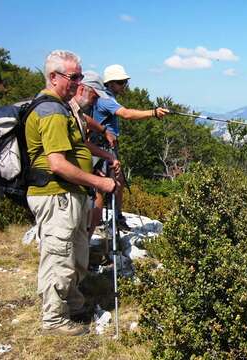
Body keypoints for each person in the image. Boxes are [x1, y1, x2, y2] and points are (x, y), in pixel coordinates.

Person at [25, 50, 117, 336]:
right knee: (59, 256)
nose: (79, 82)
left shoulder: (62, 108)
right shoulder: (51, 111)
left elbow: (76, 150)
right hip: (56, 195)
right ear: (53, 77)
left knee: (76, 253)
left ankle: (73, 304)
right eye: (73, 76)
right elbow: (58, 164)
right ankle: (53, 320)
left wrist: (92, 173)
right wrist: (99, 183)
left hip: (69, 195)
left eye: (80, 76)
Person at [92, 64, 169, 229]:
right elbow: (126, 114)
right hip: (104, 146)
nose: (124, 85)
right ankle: (103, 220)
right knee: (103, 184)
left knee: (116, 182)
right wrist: (153, 113)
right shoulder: (105, 99)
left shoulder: (106, 97)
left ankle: (114, 218)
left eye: (124, 82)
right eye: (120, 82)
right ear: (110, 83)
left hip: (105, 145)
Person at [67, 71, 121, 240]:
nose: (96, 101)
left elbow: (83, 134)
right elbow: (57, 162)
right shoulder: (61, 111)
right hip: (61, 189)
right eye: (95, 97)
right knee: (98, 192)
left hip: (76, 179)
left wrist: (104, 133)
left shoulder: (75, 112)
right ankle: (84, 246)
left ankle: (85, 247)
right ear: (82, 89)